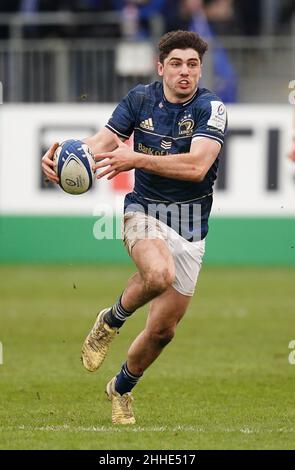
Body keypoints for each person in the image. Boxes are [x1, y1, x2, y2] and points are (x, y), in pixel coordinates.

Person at [41, 30, 227, 425]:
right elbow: (103, 142)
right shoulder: (140, 99)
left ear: (200, 70)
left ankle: (120, 389)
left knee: (163, 331)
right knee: (158, 275)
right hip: (143, 212)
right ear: (161, 67)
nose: (184, 72)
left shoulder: (213, 108)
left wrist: (136, 158)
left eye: (192, 65)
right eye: (176, 64)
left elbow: (196, 168)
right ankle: (111, 320)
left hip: (191, 225)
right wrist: (63, 156)